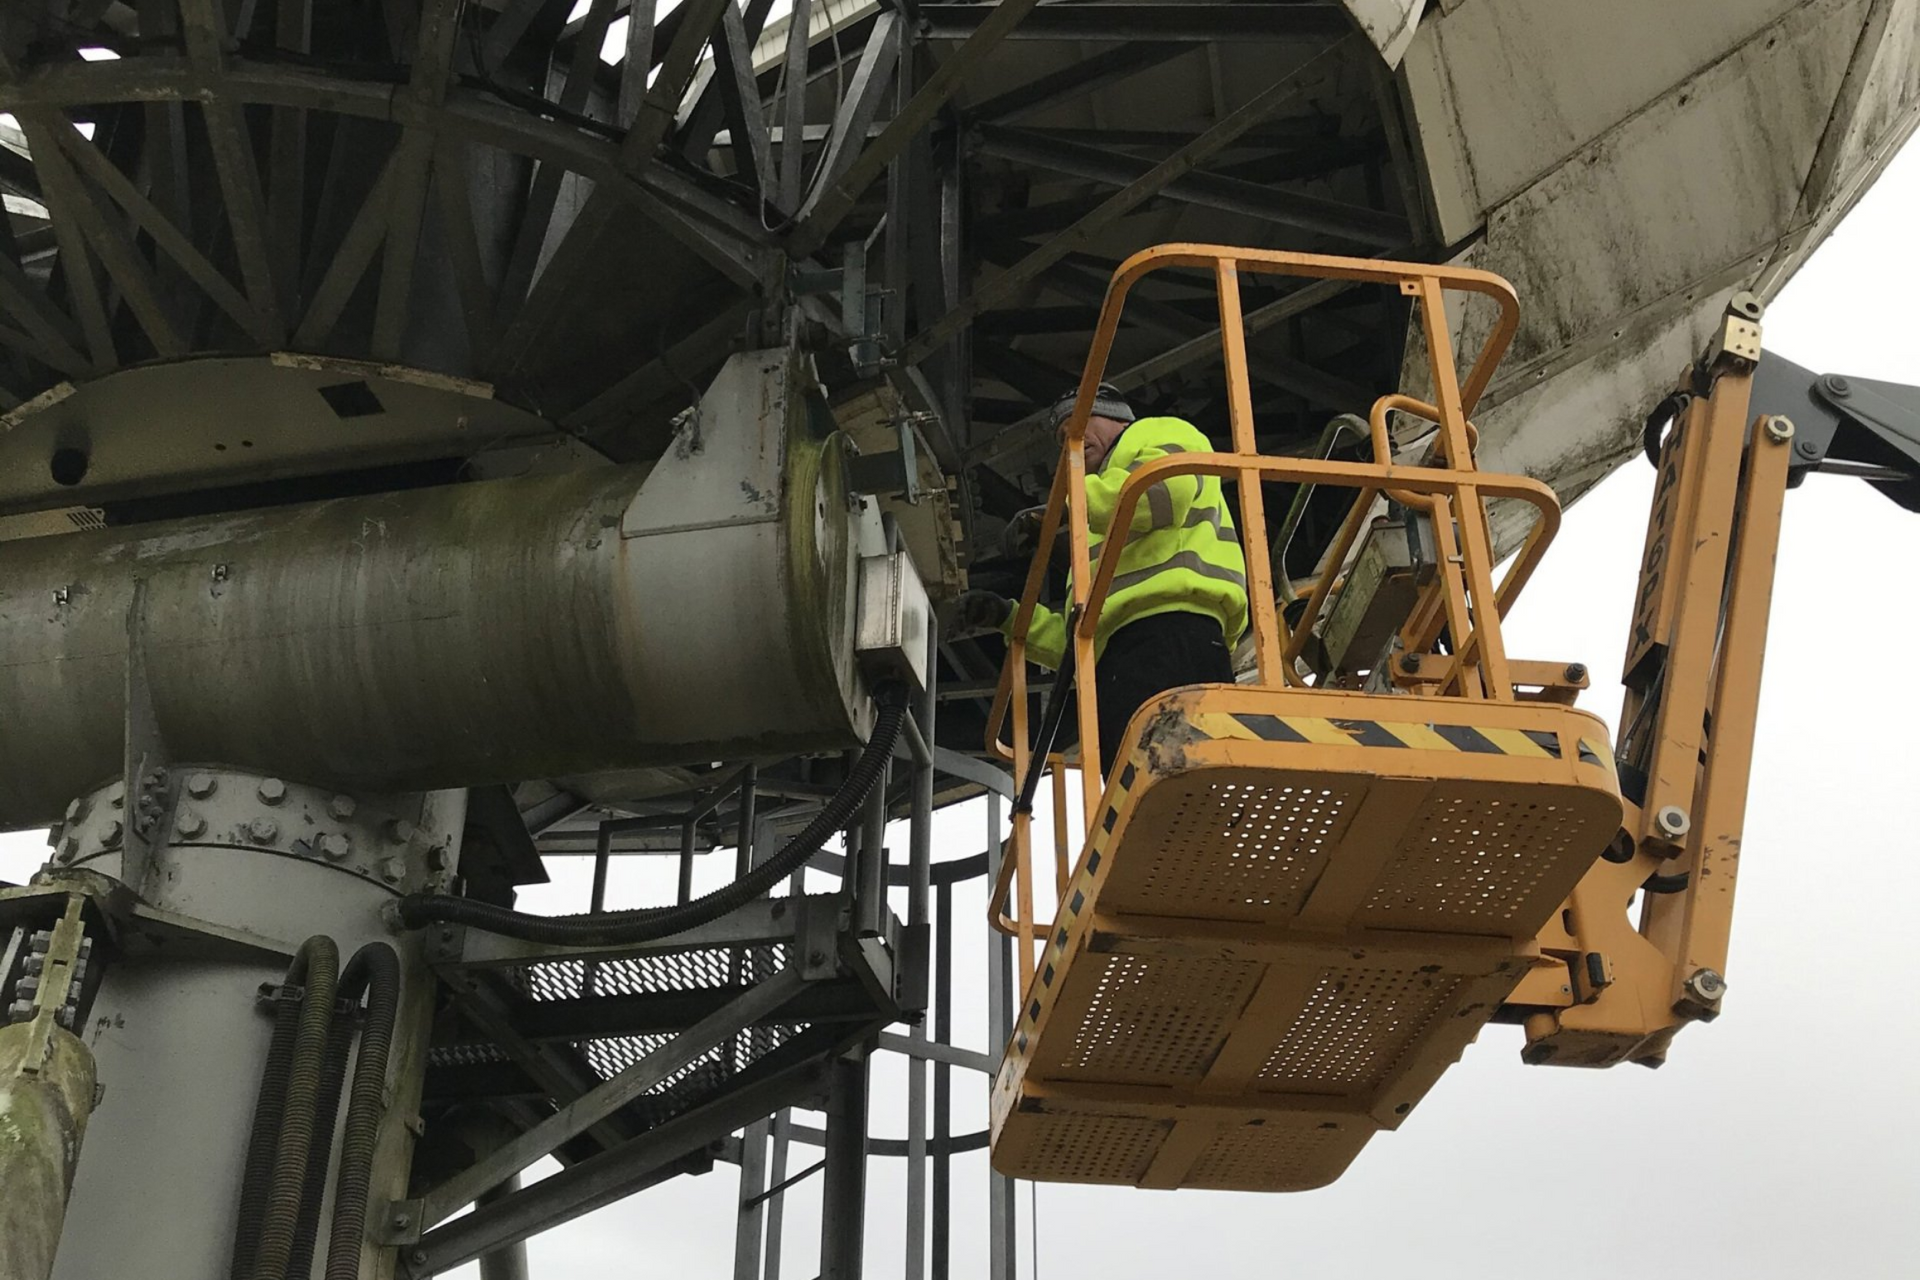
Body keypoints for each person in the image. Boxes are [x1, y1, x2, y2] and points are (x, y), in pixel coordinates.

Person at [955, 383, 1249, 777]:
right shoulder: (1090, 525)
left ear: (1116, 417)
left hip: (1174, 630)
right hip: (1119, 660)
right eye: (1062, 437)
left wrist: (1063, 505)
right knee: (1133, 790)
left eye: (1076, 426)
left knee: (1180, 780)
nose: (1069, 441)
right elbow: (1080, 635)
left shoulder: (1159, 432)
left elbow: (1161, 497)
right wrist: (1009, 617)